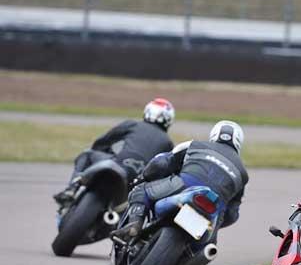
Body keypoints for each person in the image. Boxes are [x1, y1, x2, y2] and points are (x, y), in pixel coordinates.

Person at [113, 120, 248, 241]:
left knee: (141, 190)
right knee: (210, 245)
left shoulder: (195, 144)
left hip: (186, 184)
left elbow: (161, 163)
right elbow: (232, 213)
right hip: (215, 206)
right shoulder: (242, 173)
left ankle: (135, 224)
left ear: (214, 135)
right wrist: (218, 224)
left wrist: (144, 177)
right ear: (238, 142)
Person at [53, 98, 175, 204]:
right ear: (168, 120)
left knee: (87, 155)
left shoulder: (133, 124)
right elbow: (166, 171)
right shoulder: (168, 142)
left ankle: (71, 189)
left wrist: (107, 153)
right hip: (138, 180)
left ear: (148, 112)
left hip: (119, 164)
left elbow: (103, 141)